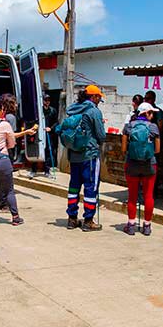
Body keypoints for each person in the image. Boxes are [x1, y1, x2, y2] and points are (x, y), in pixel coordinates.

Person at [0, 95, 36, 226]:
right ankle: (15, 217)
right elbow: (12, 144)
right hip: (2, 160)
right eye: (1, 108)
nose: (3, 110)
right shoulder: (4, 124)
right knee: (8, 190)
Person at [65, 85, 107, 231]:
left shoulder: (73, 109)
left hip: (74, 155)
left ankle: (72, 219)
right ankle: (88, 220)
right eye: (99, 97)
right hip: (89, 155)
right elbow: (101, 136)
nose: (99, 100)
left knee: (74, 187)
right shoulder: (94, 111)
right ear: (93, 97)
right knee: (91, 187)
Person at [121, 102, 161, 236]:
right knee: (148, 195)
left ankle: (131, 225)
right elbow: (157, 149)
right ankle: (147, 226)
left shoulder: (128, 126)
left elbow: (123, 149)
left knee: (132, 196)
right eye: (151, 113)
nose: (152, 115)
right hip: (149, 164)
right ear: (146, 113)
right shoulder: (153, 127)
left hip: (131, 164)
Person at [29, 93, 59, 179]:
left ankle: (47, 170)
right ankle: (33, 170)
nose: (47, 102)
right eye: (45, 100)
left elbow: (56, 122)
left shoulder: (52, 110)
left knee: (48, 152)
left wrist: (51, 128)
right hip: (38, 133)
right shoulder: (38, 111)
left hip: (48, 134)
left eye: (48, 100)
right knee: (36, 150)